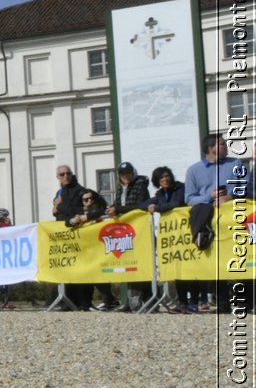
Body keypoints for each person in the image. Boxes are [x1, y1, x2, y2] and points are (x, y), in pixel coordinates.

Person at [185, 133, 250, 312]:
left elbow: (246, 186)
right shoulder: (193, 170)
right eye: (222, 144)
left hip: (233, 220)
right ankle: (221, 302)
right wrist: (209, 196)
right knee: (216, 262)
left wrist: (229, 197)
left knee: (240, 260)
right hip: (209, 225)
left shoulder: (235, 164)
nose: (226, 146)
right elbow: (189, 198)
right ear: (211, 148)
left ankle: (244, 301)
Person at [146, 165, 196, 312]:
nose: (165, 179)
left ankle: (193, 302)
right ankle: (182, 303)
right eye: (161, 177)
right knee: (177, 268)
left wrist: (157, 208)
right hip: (173, 237)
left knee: (190, 267)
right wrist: (150, 205)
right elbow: (143, 204)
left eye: (167, 176)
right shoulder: (160, 193)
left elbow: (177, 204)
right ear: (157, 180)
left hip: (186, 232)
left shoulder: (180, 188)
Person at [104, 163, 151, 310]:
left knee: (140, 265)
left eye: (128, 173)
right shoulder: (120, 189)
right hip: (125, 232)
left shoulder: (141, 186)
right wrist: (111, 210)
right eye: (123, 174)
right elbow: (118, 204)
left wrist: (118, 209)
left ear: (133, 172)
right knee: (128, 265)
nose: (126, 176)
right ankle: (131, 302)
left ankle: (144, 300)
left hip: (138, 230)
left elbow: (139, 206)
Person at [51, 164, 95, 312]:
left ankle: (84, 302)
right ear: (58, 177)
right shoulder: (60, 191)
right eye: (62, 174)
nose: (66, 176)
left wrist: (60, 207)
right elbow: (57, 212)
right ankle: (67, 300)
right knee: (67, 267)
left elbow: (80, 210)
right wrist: (56, 209)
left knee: (82, 268)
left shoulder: (81, 191)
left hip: (79, 234)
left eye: (68, 173)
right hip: (64, 234)